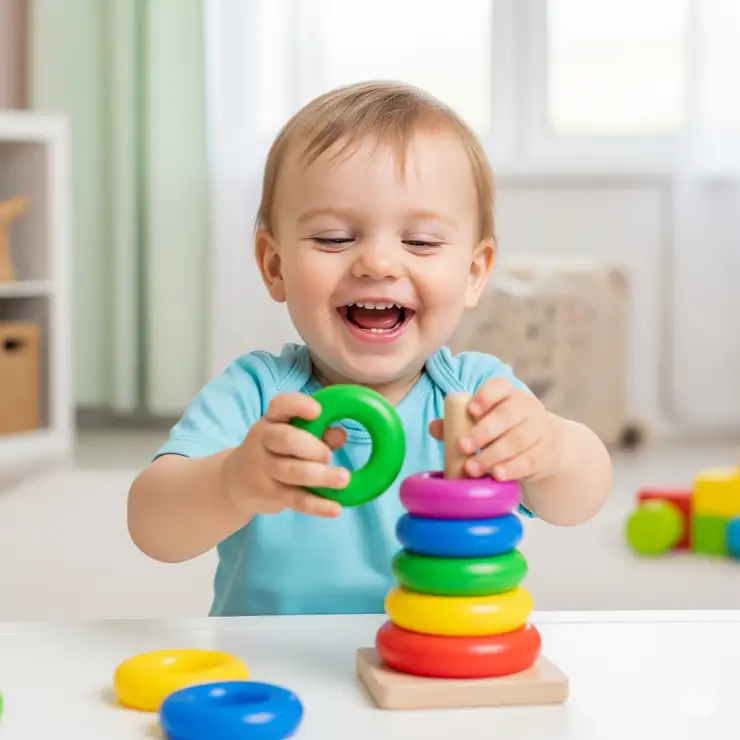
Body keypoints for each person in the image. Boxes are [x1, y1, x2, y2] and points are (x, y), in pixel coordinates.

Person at [127, 81, 612, 617]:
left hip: (438, 665)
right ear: (274, 265)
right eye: (334, 238)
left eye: (421, 241)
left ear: (473, 273)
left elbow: (581, 499)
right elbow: (153, 529)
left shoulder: (475, 398)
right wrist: (232, 481)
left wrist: (552, 450)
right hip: (277, 670)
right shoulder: (259, 395)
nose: (378, 264)